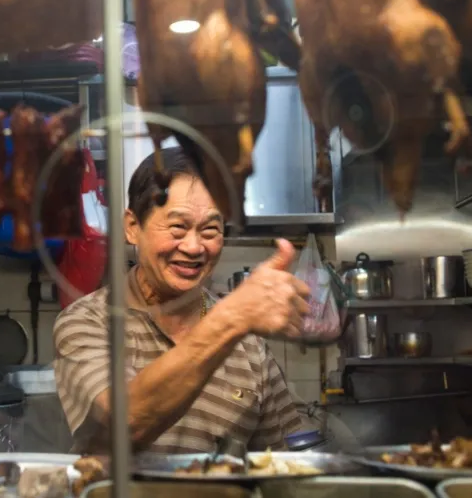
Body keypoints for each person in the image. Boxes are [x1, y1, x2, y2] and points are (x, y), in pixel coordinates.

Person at [53, 148, 310, 454]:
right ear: (133, 227)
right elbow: (123, 425)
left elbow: (281, 462)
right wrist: (230, 320)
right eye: (177, 227)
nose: (193, 247)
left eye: (210, 230)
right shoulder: (87, 321)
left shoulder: (249, 346)